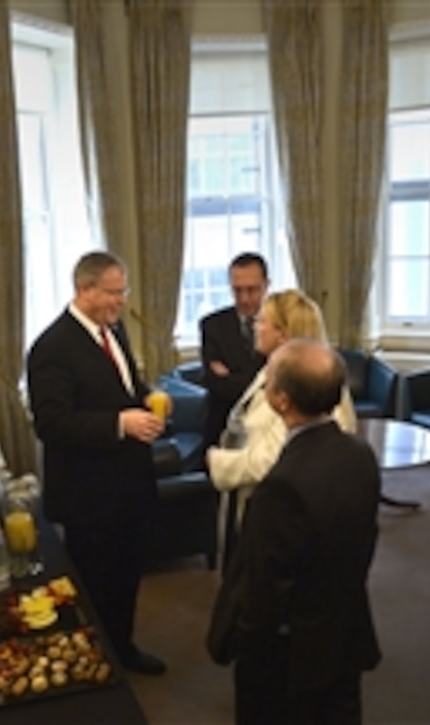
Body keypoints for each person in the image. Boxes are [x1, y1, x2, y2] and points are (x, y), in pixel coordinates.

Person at [26, 250, 168, 675]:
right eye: (114, 292)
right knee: (94, 584)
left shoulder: (113, 329)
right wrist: (118, 423)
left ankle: (122, 648)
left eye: (122, 292)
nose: (121, 301)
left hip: (129, 486)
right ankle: (93, 664)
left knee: (126, 577)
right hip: (89, 495)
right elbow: (51, 424)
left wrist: (145, 397)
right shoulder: (51, 348)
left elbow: (123, 384)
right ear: (85, 289)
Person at [231, 339, 382, 724]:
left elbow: (263, 591)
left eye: (268, 379)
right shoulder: (360, 454)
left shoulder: (280, 487)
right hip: (345, 631)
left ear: (281, 401)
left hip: (293, 655)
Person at [206, 289, 356, 561]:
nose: (255, 325)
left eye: (263, 321)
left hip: (281, 510)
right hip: (262, 501)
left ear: (283, 335)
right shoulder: (272, 371)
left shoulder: (300, 387)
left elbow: (275, 459)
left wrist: (219, 463)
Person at [200, 253, 270, 455]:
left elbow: (279, 385)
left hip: (267, 432)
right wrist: (257, 379)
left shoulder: (280, 325)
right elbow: (215, 383)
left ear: (266, 285)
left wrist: (231, 376)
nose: (244, 299)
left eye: (252, 290)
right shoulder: (212, 325)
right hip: (222, 429)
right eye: (237, 290)